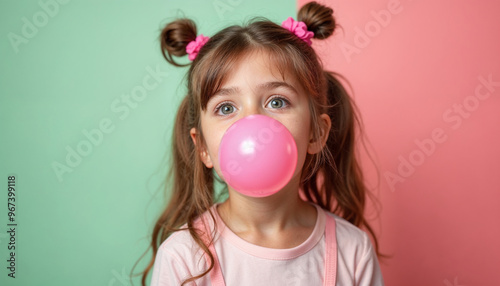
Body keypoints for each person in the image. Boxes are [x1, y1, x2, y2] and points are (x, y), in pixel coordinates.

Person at [140, 2, 385, 285]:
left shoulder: (353, 252)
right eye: (226, 108)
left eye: (277, 101)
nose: (252, 121)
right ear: (203, 147)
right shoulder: (183, 257)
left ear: (317, 133)